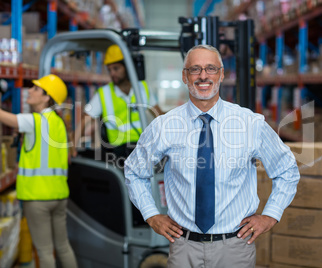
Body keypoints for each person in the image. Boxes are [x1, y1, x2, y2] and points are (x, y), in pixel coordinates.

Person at [124, 44, 300, 267]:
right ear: (184, 76)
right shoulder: (164, 126)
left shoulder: (249, 123)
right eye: (195, 69)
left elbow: (287, 170)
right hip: (183, 247)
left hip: (235, 248)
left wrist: (270, 215)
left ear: (222, 74)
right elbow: (133, 171)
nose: (203, 76)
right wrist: (151, 215)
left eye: (211, 69)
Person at [0, 70, 78, 268]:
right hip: (59, 196)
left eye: (35, 88)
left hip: (37, 199)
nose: (29, 91)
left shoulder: (35, 121)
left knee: (45, 252)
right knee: (63, 247)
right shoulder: (59, 123)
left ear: (46, 97)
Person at [73, 44, 163, 161]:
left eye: (116, 68)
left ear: (127, 67)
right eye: (109, 70)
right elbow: (85, 119)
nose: (112, 74)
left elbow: (159, 116)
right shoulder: (103, 93)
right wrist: (73, 146)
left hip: (141, 148)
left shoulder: (143, 88)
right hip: (118, 152)